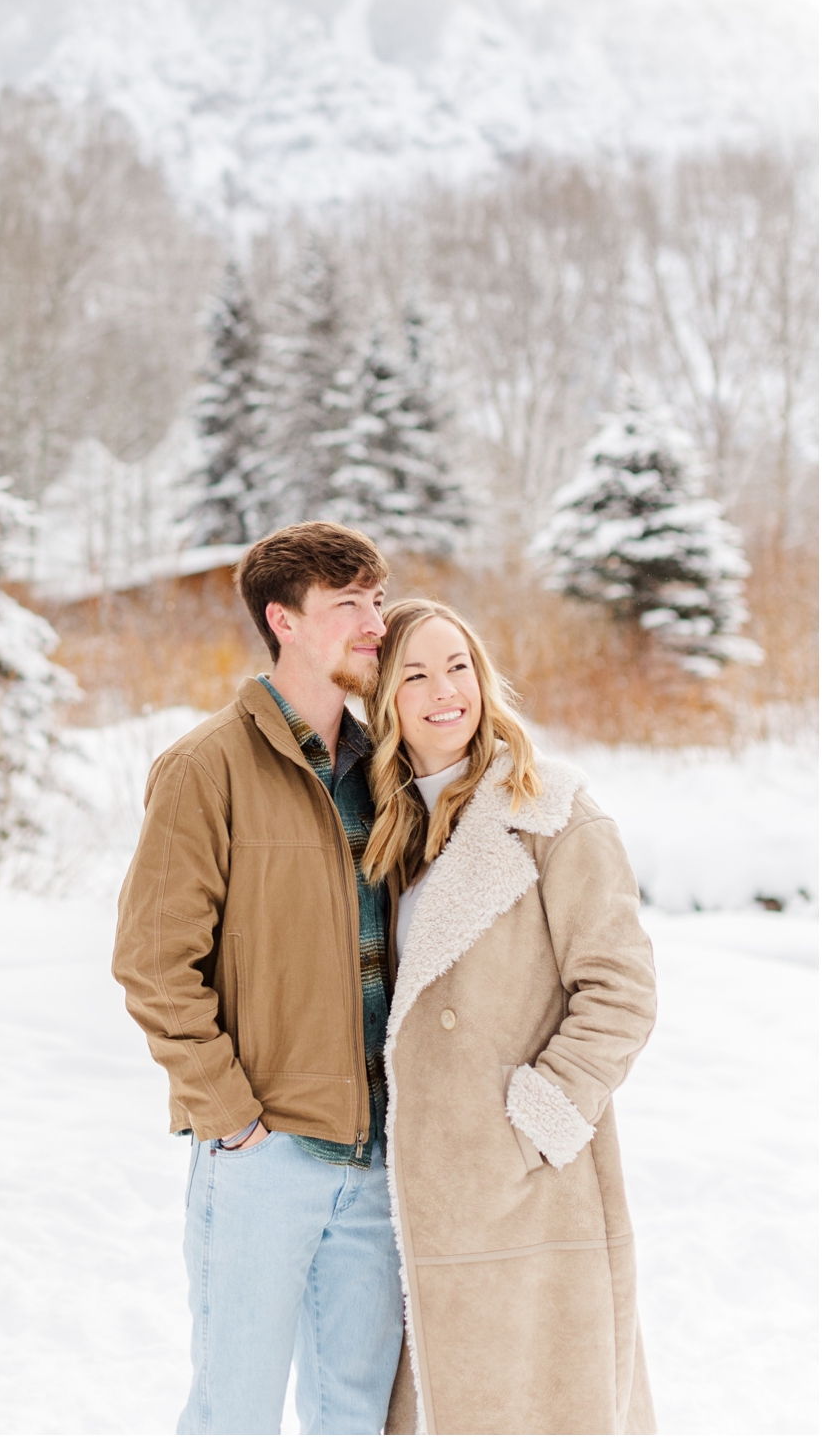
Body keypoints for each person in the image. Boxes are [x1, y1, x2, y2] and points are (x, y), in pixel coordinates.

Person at [112, 522, 405, 1437]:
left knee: (355, 1416)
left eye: (378, 600)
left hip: (375, 1162)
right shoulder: (207, 767)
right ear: (282, 618)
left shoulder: (388, 772)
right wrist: (231, 1116)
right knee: (233, 1414)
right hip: (264, 1155)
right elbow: (155, 963)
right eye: (348, 603)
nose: (375, 622)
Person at [364, 598, 657, 1436]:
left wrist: (533, 1122)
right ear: (387, 700)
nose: (443, 689)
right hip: (420, 1203)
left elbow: (623, 987)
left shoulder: (553, 812)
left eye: (458, 664)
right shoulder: (387, 836)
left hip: (532, 1198)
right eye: (415, 673)